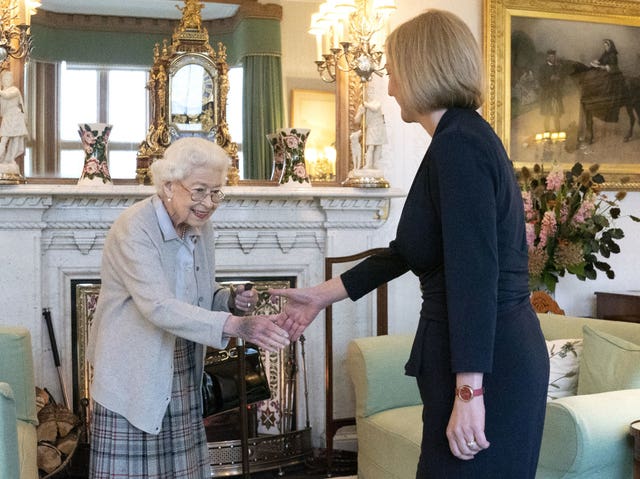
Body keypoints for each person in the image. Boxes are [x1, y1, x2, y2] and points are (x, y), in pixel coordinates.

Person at [271, 9, 549, 478]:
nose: (391, 82)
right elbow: (408, 250)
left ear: (423, 68)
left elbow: (474, 274)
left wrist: (470, 392)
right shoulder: (455, 139)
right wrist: (320, 295)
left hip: (491, 365)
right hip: (480, 358)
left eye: (394, 67)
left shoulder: (459, 144)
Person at [87, 137, 290, 479]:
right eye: (199, 190)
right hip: (134, 370)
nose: (208, 203)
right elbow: (158, 305)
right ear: (168, 185)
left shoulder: (200, 227)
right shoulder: (134, 228)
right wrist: (236, 326)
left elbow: (198, 292)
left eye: (216, 192)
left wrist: (228, 300)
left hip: (180, 364)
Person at [0, 70, 28, 167]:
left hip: (16, 117)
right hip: (7, 118)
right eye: (5, 79)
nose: (8, 80)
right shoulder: (2, 92)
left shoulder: (14, 90)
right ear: (2, 81)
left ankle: (10, 159)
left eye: (9, 78)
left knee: (16, 139)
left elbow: (7, 95)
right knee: (4, 139)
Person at [353, 99, 387, 169]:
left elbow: (375, 108)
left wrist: (366, 105)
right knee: (370, 146)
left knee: (378, 147)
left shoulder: (377, 102)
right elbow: (356, 120)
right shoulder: (362, 106)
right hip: (371, 127)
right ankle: (368, 164)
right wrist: (360, 113)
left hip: (379, 126)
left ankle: (375, 164)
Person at [538, 49, 565, 131]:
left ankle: (558, 132)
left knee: (556, 115)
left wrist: (559, 80)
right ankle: (547, 134)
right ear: (547, 57)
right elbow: (541, 82)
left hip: (556, 95)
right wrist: (550, 79)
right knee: (547, 116)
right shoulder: (542, 68)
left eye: (554, 56)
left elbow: (563, 81)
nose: (553, 58)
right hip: (547, 96)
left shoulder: (558, 67)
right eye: (551, 57)